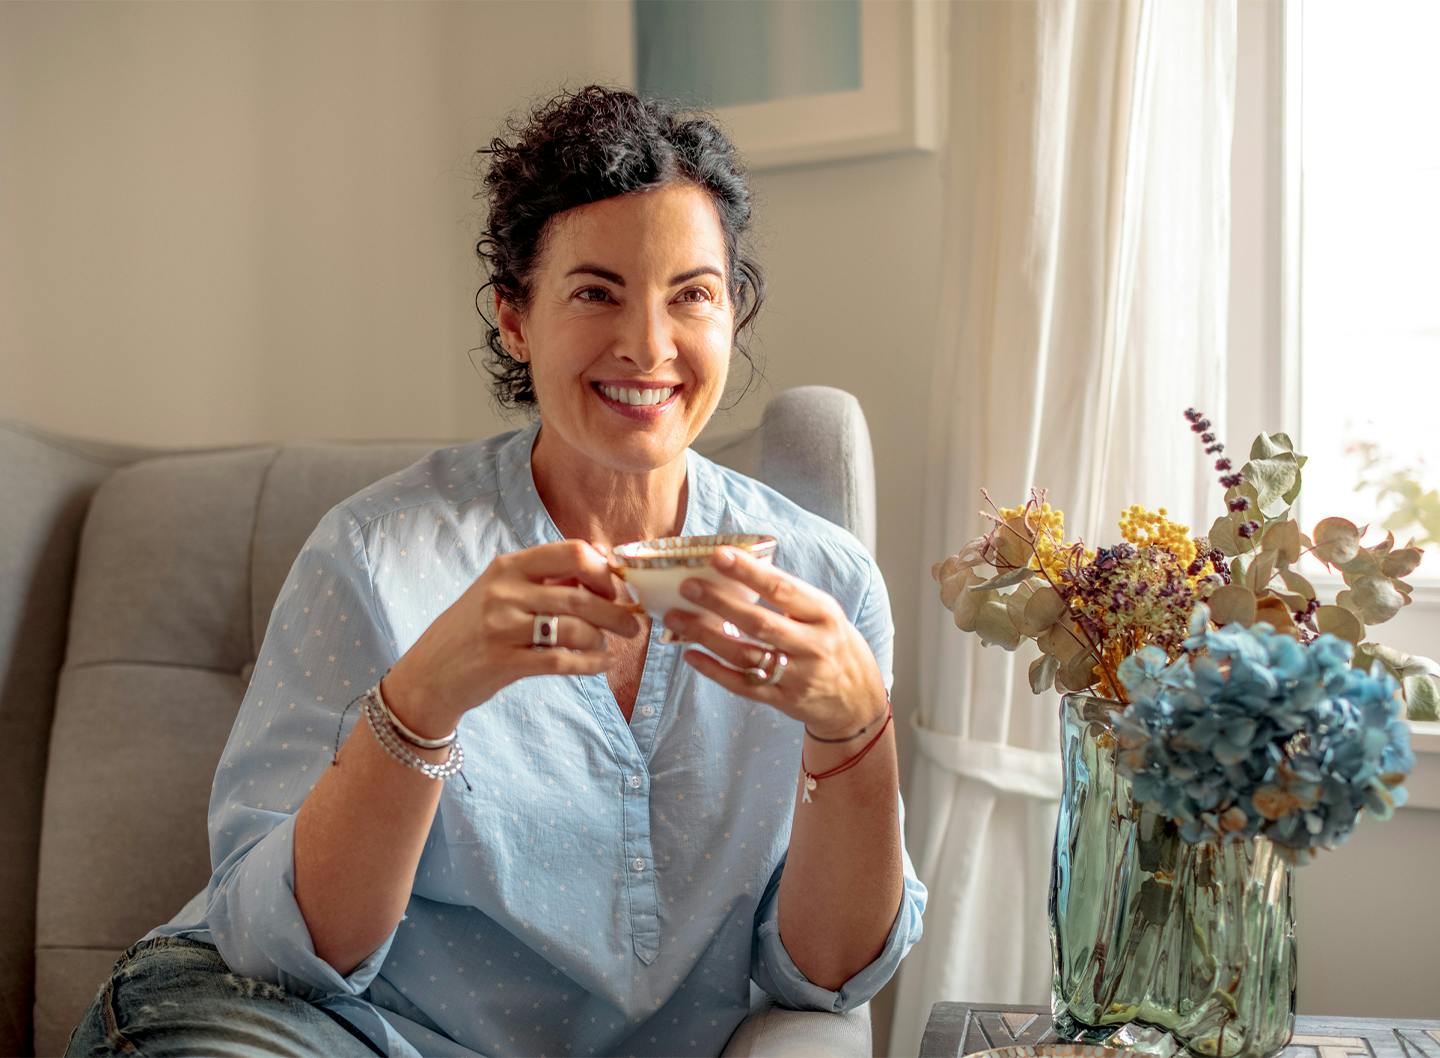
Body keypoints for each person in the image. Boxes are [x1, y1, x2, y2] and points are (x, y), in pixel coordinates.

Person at [66, 84, 926, 1058]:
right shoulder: (376, 554)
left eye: (692, 294)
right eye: (596, 292)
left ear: (735, 312)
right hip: (296, 1025)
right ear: (515, 318)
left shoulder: (827, 583)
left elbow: (827, 971)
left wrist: (857, 730)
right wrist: (424, 698)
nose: (649, 345)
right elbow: (284, 953)